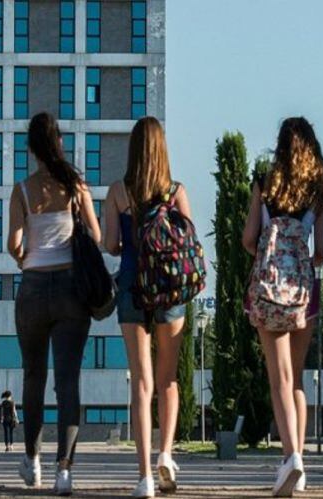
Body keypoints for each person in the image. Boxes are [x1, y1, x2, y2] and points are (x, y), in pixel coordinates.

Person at [9, 112, 101, 497]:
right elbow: (95, 235)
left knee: (34, 377)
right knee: (67, 382)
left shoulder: (23, 190)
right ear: (59, 142)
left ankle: (32, 461)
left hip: (31, 289)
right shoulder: (76, 186)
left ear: (31, 149)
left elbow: (13, 244)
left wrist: (27, 258)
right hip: (70, 292)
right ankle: (65, 470)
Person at [103, 117, 191, 498]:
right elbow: (187, 243)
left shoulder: (118, 193)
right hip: (170, 291)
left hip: (132, 289)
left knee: (141, 381)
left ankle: (143, 477)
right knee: (168, 378)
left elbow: (109, 245)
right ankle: (166, 454)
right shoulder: (176, 191)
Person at [242, 117, 323, 497]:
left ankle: (290, 456)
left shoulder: (264, 182)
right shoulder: (317, 189)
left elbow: (248, 238)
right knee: (296, 379)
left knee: (277, 379)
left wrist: (265, 251)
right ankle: (301, 464)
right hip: (303, 293)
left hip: (268, 291)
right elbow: (322, 252)